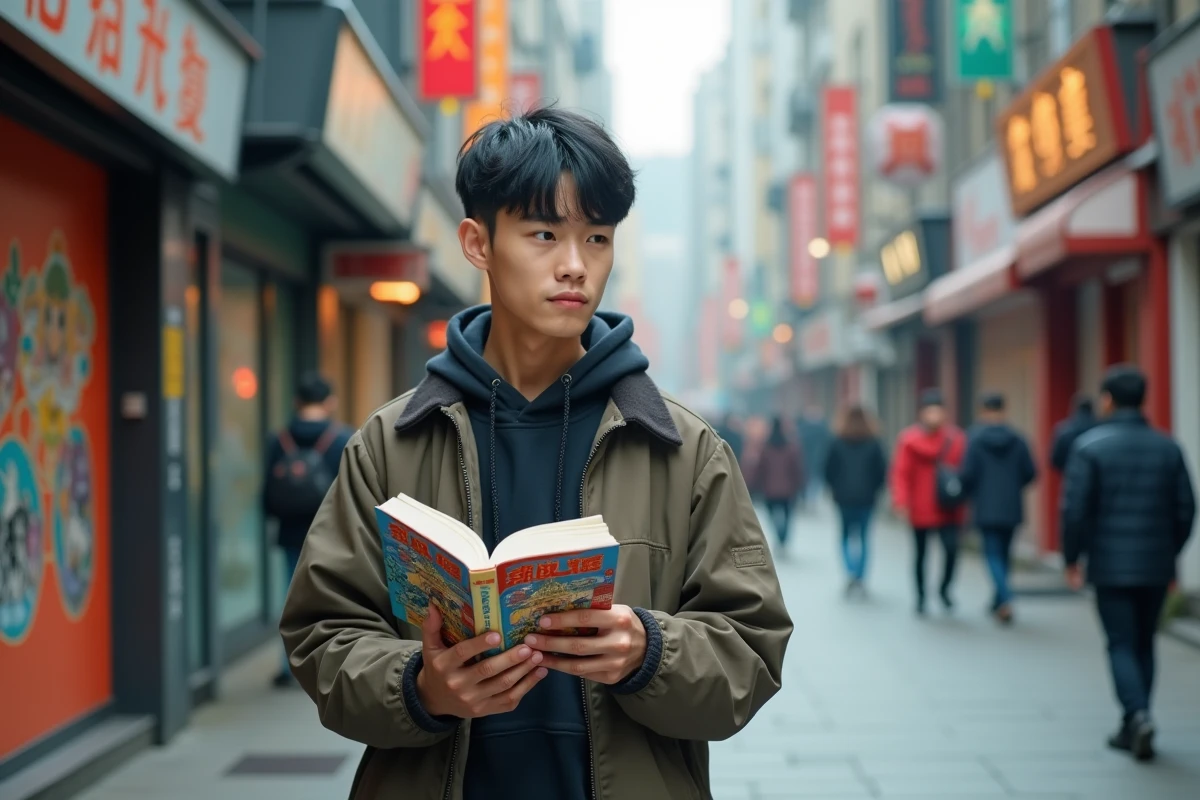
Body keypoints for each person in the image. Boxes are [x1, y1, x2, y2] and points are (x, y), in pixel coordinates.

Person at [279, 108, 793, 799]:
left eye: (598, 238)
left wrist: (649, 651)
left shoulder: (682, 449)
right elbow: (321, 636)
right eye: (544, 234)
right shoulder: (390, 441)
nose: (576, 265)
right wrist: (421, 685)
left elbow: (751, 650)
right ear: (477, 242)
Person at [1061, 365, 1194, 762]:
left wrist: (1073, 557)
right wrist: (1170, 550)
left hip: (1110, 565)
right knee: (1144, 642)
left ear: (1107, 399)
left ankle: (1136, 716)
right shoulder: (1168, 448)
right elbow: (1187, 508)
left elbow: (1074, 511)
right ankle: (1137, 718)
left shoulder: (1089, 447)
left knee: (1120, 642)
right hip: (1155, 564)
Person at [262, 373, 352, 687]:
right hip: (330, 531)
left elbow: (267, 493)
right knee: (331, 596)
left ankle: (289, 667)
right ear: (330, 403)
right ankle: (325, 664)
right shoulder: (342, 438)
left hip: (290, 530)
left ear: (296, 402)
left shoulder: (279, 439)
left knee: (291, 597)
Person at [960, 392, 1037, 625]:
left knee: (992, 554)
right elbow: (1031, 472)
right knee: (1004, 553)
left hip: (985, 504)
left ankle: (1004, 597)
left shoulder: (974, 438)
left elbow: (967, 474)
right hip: (1011, 504)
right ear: (1004, 410)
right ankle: (999, 599)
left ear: (982, 411)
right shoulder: (1018, 438)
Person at [890, 389, 967, 616]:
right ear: (922, 413)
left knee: (952, 550)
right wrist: (901, 501)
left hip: (948, 506)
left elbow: (964, 472)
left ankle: (944, 589)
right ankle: (921, 595)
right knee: (921, 553)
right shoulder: (908, 440)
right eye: (930, 411)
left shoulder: (956, 439)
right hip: (920, 507)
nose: (934, 416)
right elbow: (900, 472)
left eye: (938, 411)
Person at [823, 405, 887, 595]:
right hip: (867, 497)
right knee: (864, 537)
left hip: (843, 497)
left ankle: (850, 571)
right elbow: (882, 471)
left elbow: (828, 469)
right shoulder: (874, 442)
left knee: (845, 535)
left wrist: (834, 487)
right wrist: (876, 489)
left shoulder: (837, 441)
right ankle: (860, 575)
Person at [747, 416, 806, 556]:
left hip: (769, 490)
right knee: (787, 516)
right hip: (788, 490)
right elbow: (797, 469)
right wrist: (800, 486)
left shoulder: (765, 447)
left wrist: (753, 486)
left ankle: (779, 535)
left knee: (772, 515)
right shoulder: (791, 447)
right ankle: (783, 538)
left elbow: (759, 468)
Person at [1050, 393, 1096, 473]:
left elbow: (1055, 459)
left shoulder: (1064, 429)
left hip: (1070, 473)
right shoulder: (1099, 429)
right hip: (1094, 476)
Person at [796, 405, 831, 508]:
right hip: (817, 460)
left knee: (809, 481)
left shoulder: (801, 429)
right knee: (814, 482)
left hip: (807, 461)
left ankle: (808, 500)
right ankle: (811, 501)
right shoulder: (823, 429)